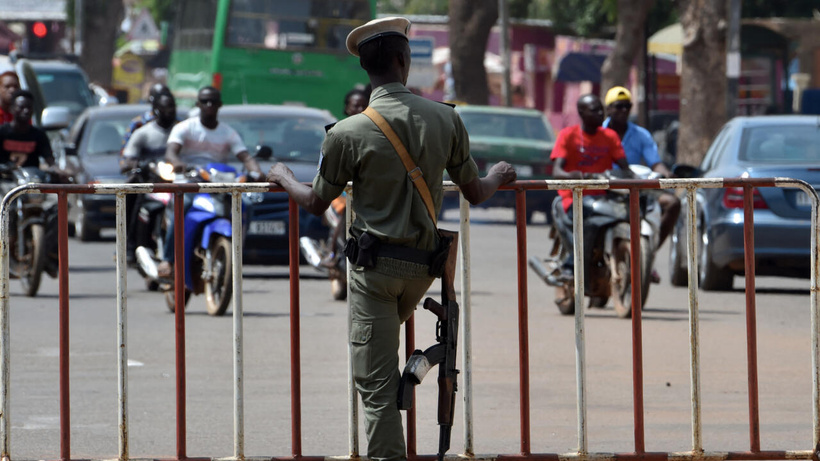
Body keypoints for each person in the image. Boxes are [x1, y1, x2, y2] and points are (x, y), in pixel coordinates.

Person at [266, 16, 516, 461]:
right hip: (422, 271)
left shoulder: (346, 133)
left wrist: (282, 175)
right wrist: (497, 173)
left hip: (373, 275)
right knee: (394, 365)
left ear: (365, 68)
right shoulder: (446, 119)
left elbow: (316, 202)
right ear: (403, 61)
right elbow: (476, 192)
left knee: (376, 387)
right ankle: (415, 370)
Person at [157, 86, 264, 279]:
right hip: (189, 182)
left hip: (217, 183)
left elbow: (246, 156)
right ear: (197, 104)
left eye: (213, 101)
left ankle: (236, 251)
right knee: (183, 206)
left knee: (246, 204)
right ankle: (168, 258)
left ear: (220, 105)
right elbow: (171, 152)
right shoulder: (185, 127)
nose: (209, 105)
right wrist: (179, 163)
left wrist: (256, 171)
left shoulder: (228, 133)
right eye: (205, 101)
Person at [603, 86, 681, 281]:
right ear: (608, 109)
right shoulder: (600, 133)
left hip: (634, 186)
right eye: (618, 106)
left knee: (672, 203)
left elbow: (655, 162)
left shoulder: (641, 134)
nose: (623, 111)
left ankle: (647, 256)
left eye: (627, 106)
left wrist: (666, 175)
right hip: (605, 188)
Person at [550, 93, 633, 274]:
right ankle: (573, 265)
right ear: (581, 112)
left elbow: (625, 168)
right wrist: (573, 175)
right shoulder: (567, 135)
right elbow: (557, 171)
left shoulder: (610, 136)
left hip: (604, 197)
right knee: (588, 223)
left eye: (601, 110)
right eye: (594, 110)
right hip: (575, 197)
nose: (600, 114)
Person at [120, 93, 179, 263]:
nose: (170, 111)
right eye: (166, 107)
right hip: (150, 181)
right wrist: (139, 164)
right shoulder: (143, 132)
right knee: (131, 197)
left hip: (175, 180)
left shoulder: (180, 130)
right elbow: (128, 159)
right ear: (156, 110)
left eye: (172, 107)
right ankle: (129, 244)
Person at [0, 90, 60, 170]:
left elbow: (49, 159)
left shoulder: (38, 134)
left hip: (31, 179)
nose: (26, 111)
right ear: (12, 109)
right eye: (21, 107)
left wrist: (56, 171)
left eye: (29, 107)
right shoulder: (2, 132)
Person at [120, 83, 173, 153]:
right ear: (151, 100)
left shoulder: (178, 124)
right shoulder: (139, 123)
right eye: (159, 96)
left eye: (166, 95)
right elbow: (126, 151)